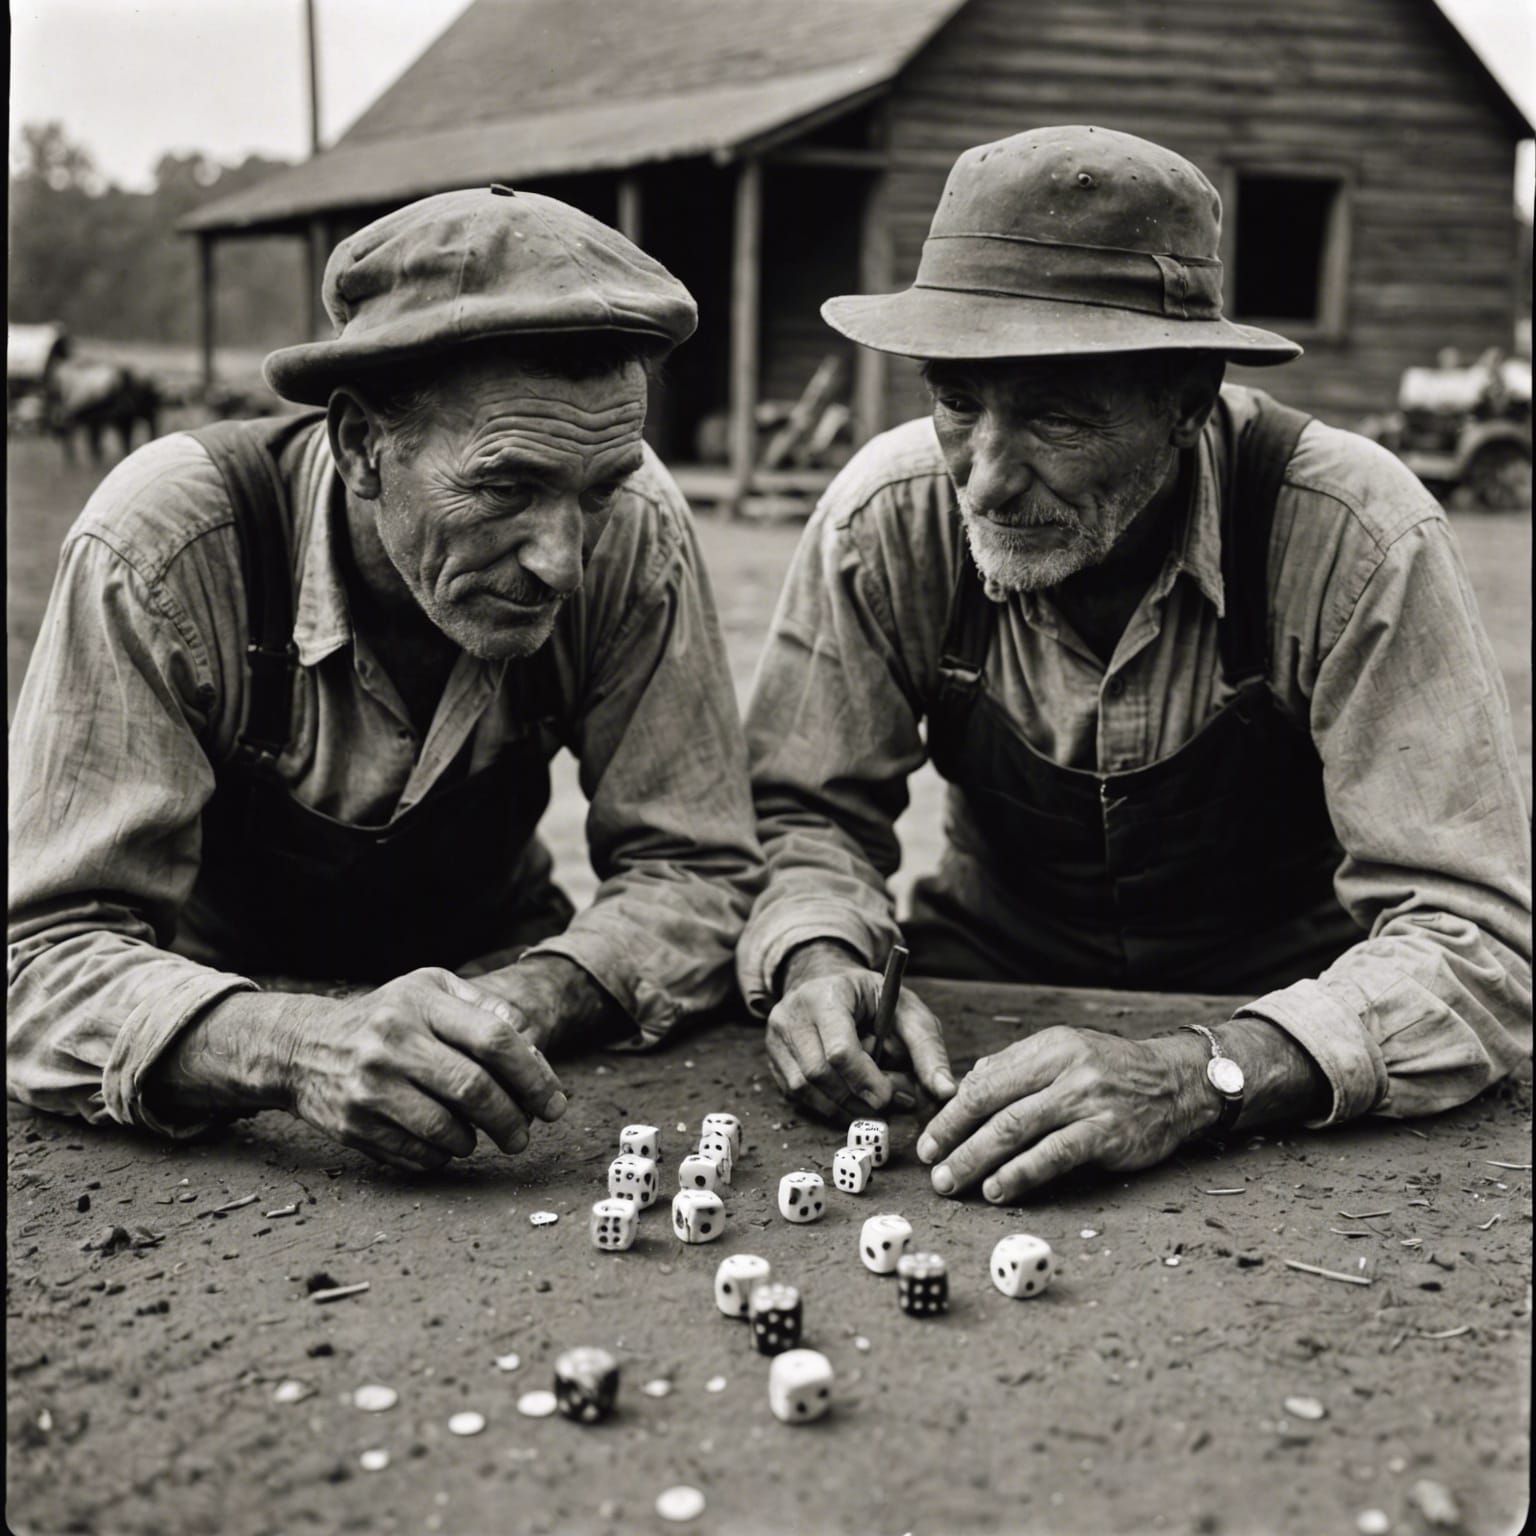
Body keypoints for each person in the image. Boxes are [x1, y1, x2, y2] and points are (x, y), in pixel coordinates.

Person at [738, 126, 1531, 1204]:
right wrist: (819, 953)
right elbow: (804, 811)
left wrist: (1205, 1073)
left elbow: (1477, 940)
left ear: (1188, 401)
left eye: (1056, 416)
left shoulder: (1352, 533)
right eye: (958, 400)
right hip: (988, 987)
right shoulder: (886, 515)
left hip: (1278, 1014)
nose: (984, 479)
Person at [9, 187, 763, 1172]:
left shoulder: (636, 529)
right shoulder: (166, 545)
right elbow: (42, 959)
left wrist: (518, 1003)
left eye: (598, 491)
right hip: (221, 1073)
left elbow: (699, 870)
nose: (564, 563)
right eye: (506, 486)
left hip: (499, 1014)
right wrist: (290, 1045)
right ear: (363, 444)